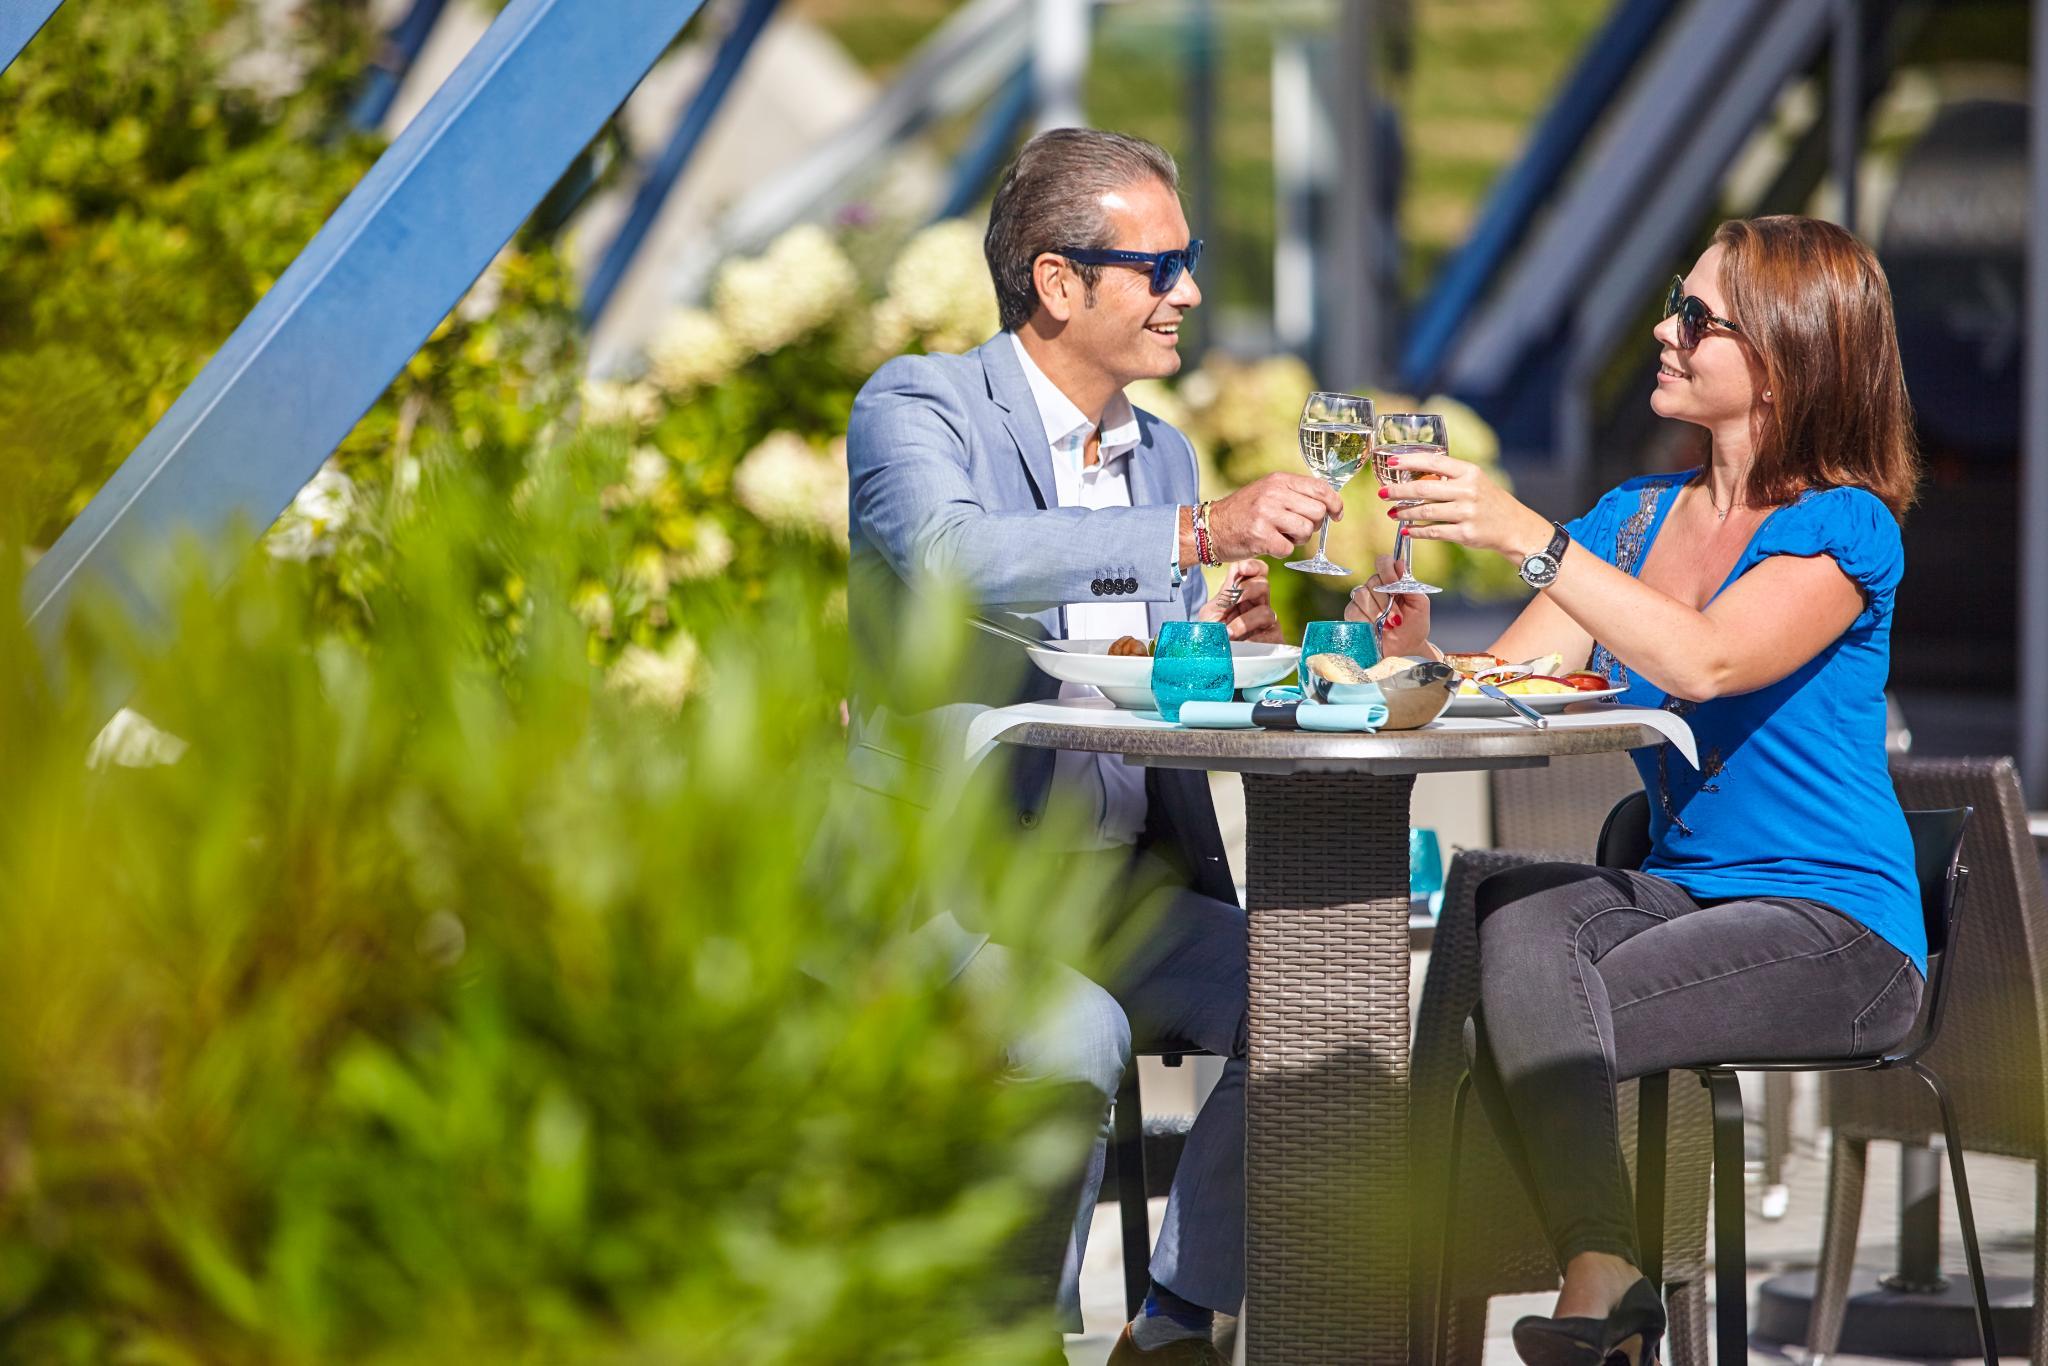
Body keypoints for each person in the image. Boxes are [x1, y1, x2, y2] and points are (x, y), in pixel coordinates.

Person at [1348, 215, 1923, 1366]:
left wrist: (1527, 537)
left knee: (1512, 1021)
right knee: (1509, 912)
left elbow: (1704, 659)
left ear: (1783, 355)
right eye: (1673, 302)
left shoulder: (1841, 525)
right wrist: (1412, 651)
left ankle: (1425, 1298)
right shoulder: (1632, 518)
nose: (1663, 331)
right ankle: (1603, 1274)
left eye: (1695, 318)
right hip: (1682, 894)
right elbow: (1509, 683)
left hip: (1833, 929)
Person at [846, 128, 1343, 1361]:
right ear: (1057, 282)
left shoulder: (1159, 450)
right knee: (1073, 1036)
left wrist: (1219, 647)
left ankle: (1170, 1323)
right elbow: (952, 557)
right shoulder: (919, 406)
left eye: (1187, 259)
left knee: (1325, 994)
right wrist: (1194, 533)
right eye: (1159, 265)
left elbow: (1148, 683)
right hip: (950, 889)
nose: (1188, 292)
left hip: (1121, 891)